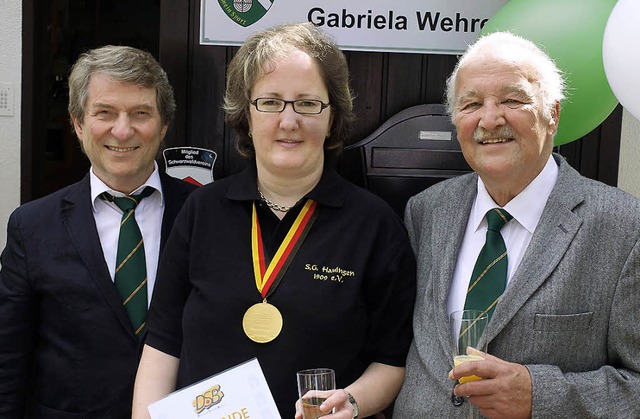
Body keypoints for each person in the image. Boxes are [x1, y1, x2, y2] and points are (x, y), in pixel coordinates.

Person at [132, 22, 416, 419]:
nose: (288, 120)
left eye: (307, 102)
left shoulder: (375, 226)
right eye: (270, 102)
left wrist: (351, 403)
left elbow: (391, 361)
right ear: (245, 116)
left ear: (332, 116)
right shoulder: (201, 211)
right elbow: (163, 345)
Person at [393, 31, 640, 418]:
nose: (489, 119)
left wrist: (539, 394)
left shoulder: (625, 228)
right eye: (471, 104)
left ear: (553, 114)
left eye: (512, 100)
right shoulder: (425, 212)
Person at [0, 45, 197, 418]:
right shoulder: (32, 226)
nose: (122, 131)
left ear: (164, 124)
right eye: (105, 113)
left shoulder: (205, 214)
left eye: (140, 113)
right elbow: (8, 357)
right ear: (77, 123)